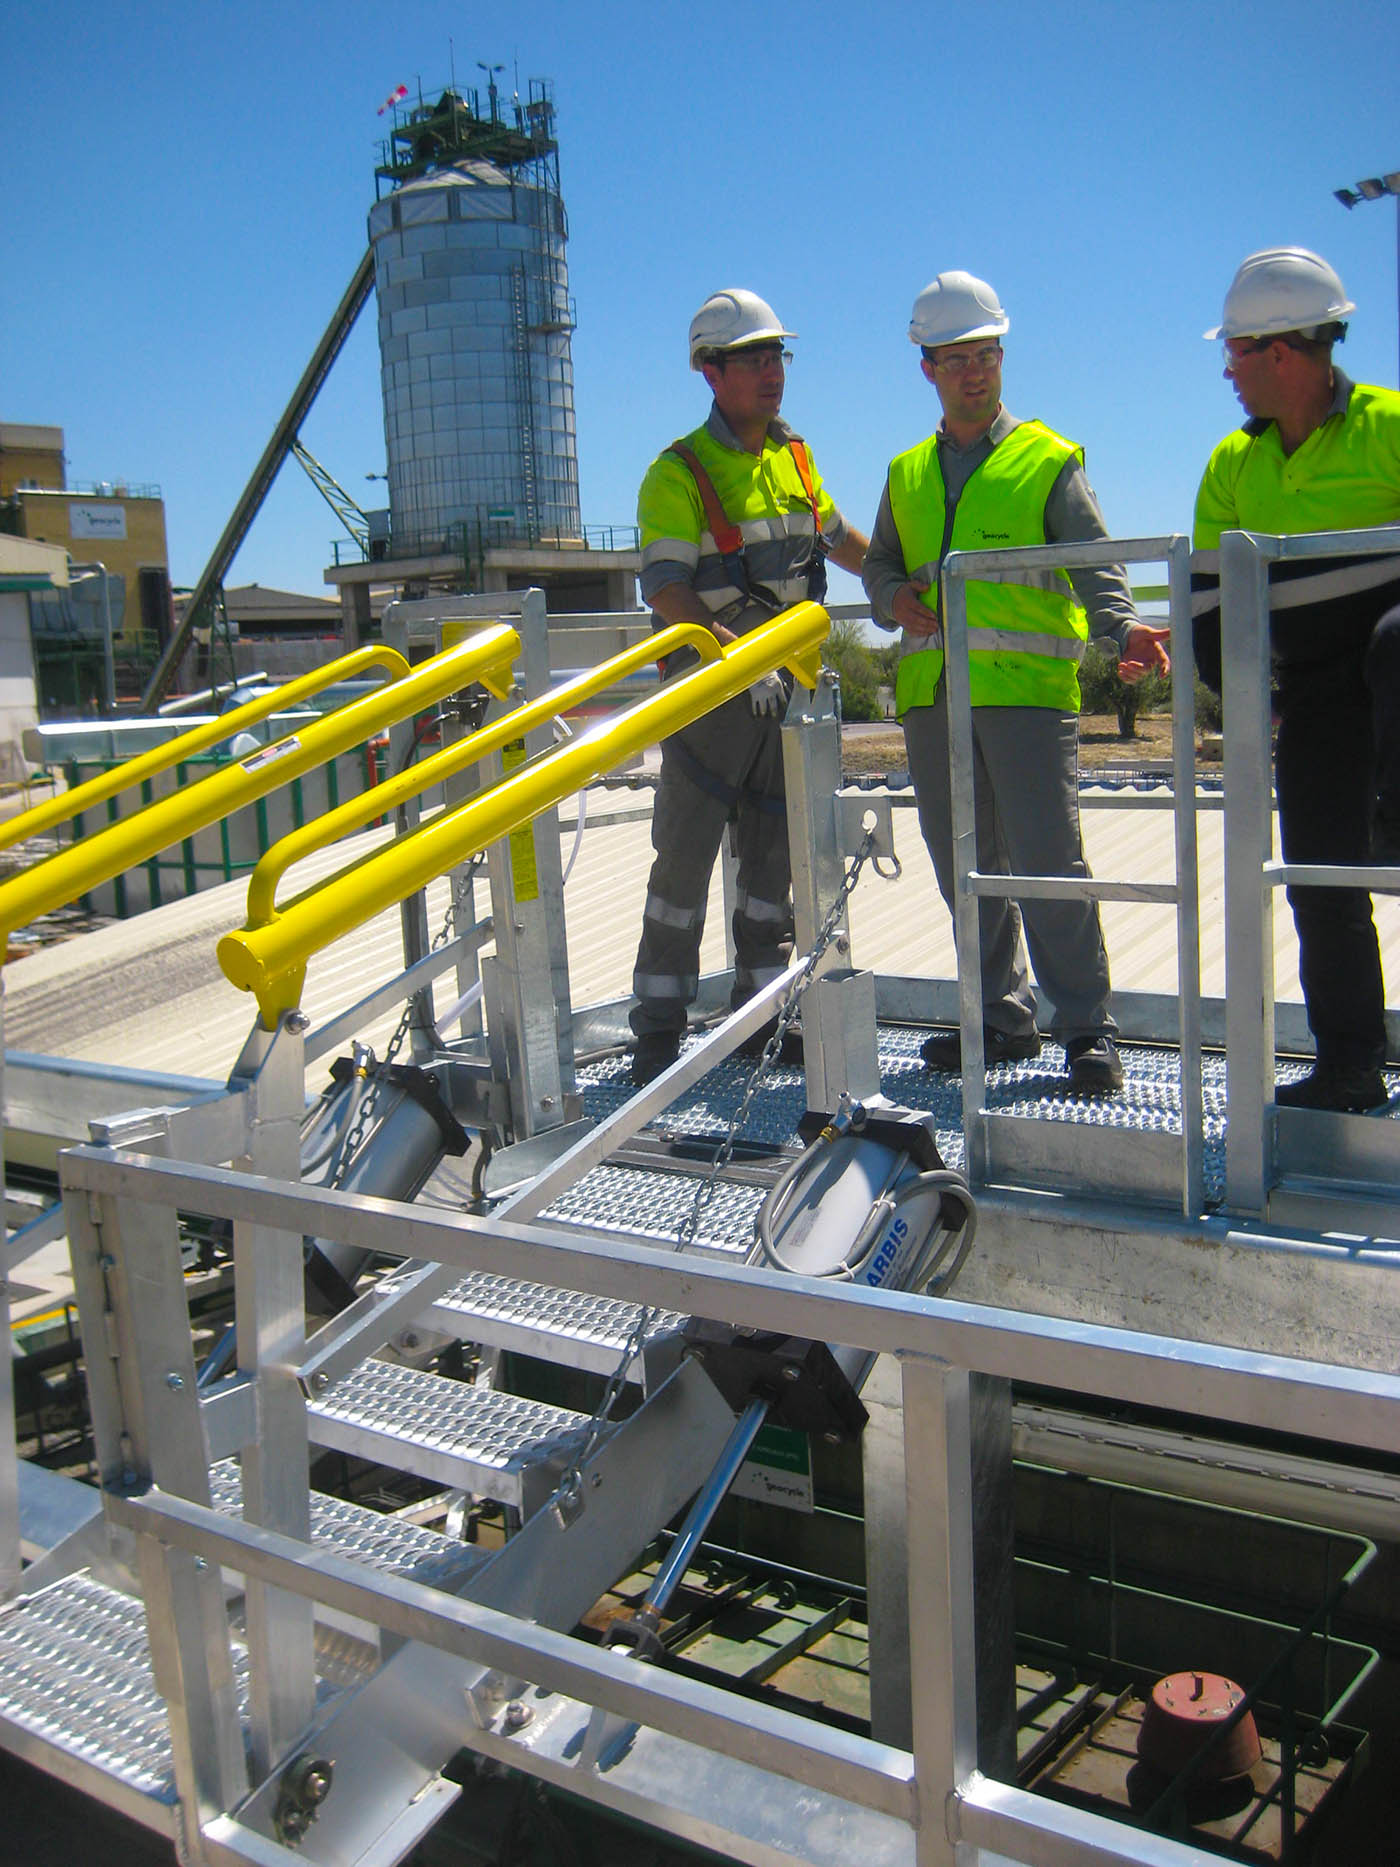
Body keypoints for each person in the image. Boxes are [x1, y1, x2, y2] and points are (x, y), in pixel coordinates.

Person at [862, 271, 1170, 1095]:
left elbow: (1093, 560)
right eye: (957, 358)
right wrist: (892, 597)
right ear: (927, 366)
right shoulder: (906, 472)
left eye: (987, 355)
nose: (975, 371)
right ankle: (1000, 1015)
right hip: (934, 702)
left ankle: (1085, 1029)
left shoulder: (1047, 458)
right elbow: (882, 562)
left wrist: (1123, 626)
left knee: (1044, 864)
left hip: (1028, 699)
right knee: (961, 864)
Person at [628, 289, 868, 1085]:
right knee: (683, 870)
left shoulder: (795, 458)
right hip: (710, 704)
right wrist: (739, 660)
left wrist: (908, 585)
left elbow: (837, 541)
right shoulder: (678, 473)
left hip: (785, 702)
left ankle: (762, 1019)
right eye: (754, 359)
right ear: (711, 372)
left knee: (773, 871)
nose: (772, 372)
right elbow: (666, 588)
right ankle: (658, 1031)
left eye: (778, 357)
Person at [1192, 246, 1400, 1112]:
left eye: (1235, 352)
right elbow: (1210, 607)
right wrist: (1253, 702)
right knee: (1318, 878)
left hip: (1397, 670)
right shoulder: (1232, 466)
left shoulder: (1389, 427)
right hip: (1312, 694)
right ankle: (1352, 1063)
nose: (1227, 370)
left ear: (1280, 350)